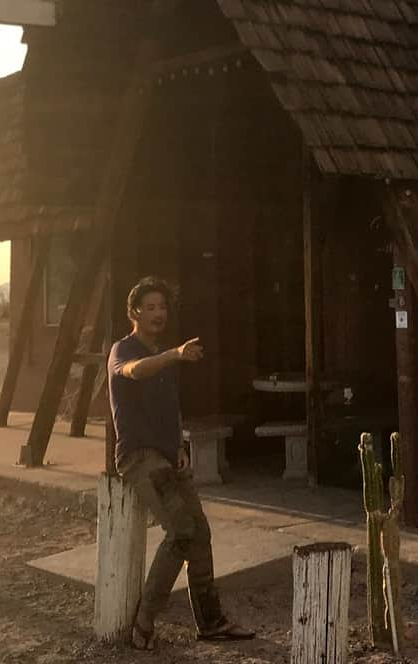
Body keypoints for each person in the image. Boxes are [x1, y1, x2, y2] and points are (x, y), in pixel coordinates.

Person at [107, 275, 254, 651]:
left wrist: (179, 447)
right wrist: (173, 354)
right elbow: (134, 371)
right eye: (150, 307)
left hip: (168, 456)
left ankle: (211, 622)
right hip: (139, 458)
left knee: (200, 532)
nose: (158, 313)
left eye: (163, 307)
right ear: (134, 312)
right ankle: (143, 622)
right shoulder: (124, 350)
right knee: (180, 531)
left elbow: (169, 409)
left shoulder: (164, 356)